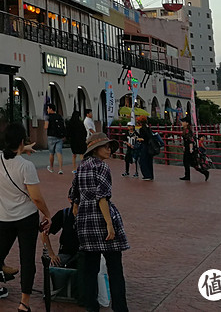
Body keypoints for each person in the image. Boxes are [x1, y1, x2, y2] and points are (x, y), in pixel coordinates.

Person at [0, 123, 52, 312]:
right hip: (26, 218)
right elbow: (36, 197)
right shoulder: (26, 166)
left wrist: (21, 148)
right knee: (26, 259)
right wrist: (47, 213)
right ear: (21, 141)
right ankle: (24, 303)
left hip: (3, 217)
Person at [70, 133, 129, 312]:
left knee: (89, 271)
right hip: (101, 221)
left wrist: (80, 218)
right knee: (115, 270)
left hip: (85, 222)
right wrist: (109, 224)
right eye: (106, 146)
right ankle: (120, 308)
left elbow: (74, 199)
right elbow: (102, 197)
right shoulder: (102, 167)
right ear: (96, 149)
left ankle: (91, 307)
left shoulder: (81, 167)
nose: (109, 150)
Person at [46, 104, 66, 174]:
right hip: (59, 136)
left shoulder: (48, 117)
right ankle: (60, 169)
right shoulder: (59, 116)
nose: (47, 110)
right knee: (59, 153)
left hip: (51, 136)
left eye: (48, 108)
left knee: (51, 153)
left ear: (51, 109)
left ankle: (51, 168)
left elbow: (46, 126)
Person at [136, 117, 157, 181]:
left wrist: (139, 138)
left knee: (143, 160)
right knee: (149, 161)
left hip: (145, 146)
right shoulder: (148, 128)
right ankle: (150, 175)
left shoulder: (142, 129)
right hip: (150, 146)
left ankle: (146, 175)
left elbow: (143, 139)